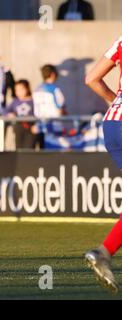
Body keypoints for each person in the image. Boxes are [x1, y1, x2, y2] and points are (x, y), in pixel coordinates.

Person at [84, 36, 122, 294]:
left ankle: (104, 252)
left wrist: (116, 100)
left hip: (112, 123)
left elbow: (91, 79)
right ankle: (104, 251)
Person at [32, 64, 67, 148]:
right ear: (53, 74)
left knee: (43, 155)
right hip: (54, 127)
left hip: (40, 126)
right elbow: (61, 109)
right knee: (54, 156)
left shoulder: (36, 89)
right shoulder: (54, 89)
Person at [3, 79, 37, 149]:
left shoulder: (34, 101)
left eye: (21, 89)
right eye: (16, 90)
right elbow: (5, 110)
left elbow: (39, 114)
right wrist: (9, 114)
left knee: (29, 149)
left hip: (30, 129)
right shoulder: (15, 101)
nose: (19, 92)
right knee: (19, 149)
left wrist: (37, 125)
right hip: (18, 128)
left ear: (27, 88)